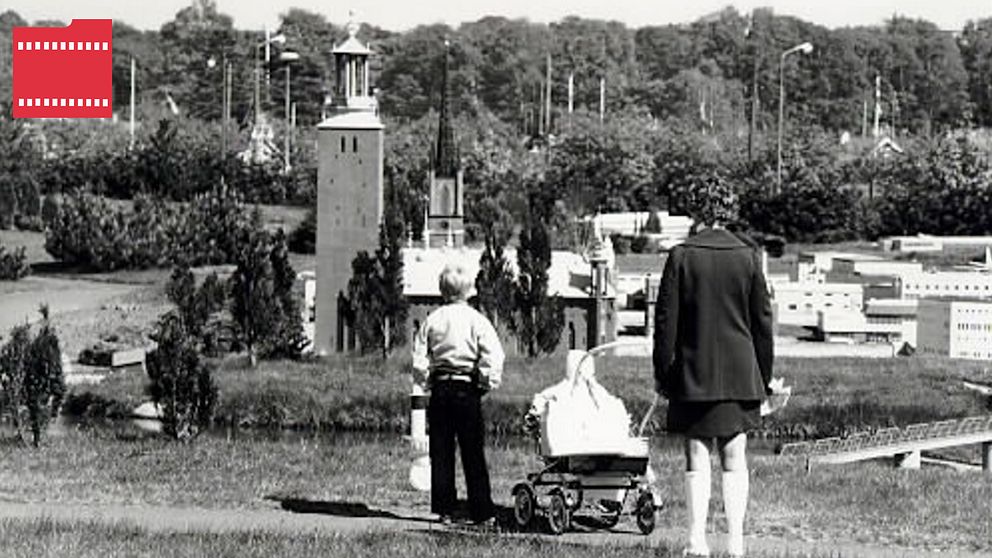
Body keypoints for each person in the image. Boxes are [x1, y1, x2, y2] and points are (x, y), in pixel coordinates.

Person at [653, 186, 773, 558]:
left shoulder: (681, 256)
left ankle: (696, 540)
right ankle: (736, 542)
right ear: (731, 210)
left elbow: (665, 321)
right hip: (741, 370)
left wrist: (663, 371)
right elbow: (762, 323)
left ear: (697, 211)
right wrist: (763, 376)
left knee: (696, 452)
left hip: (693, 367)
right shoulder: (749, 257)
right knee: (735, 454)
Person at [411, 263, 505, 527]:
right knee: (473, 452)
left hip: (441, 388)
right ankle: (482, 511)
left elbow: (419, 360)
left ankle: (445, 510)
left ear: (442, 290)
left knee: (441, 452)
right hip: (467, 386)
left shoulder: (433, 320)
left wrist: (428, 382)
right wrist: (486, 382)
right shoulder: (477, 320)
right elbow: (493, 356)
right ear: (469, 291)